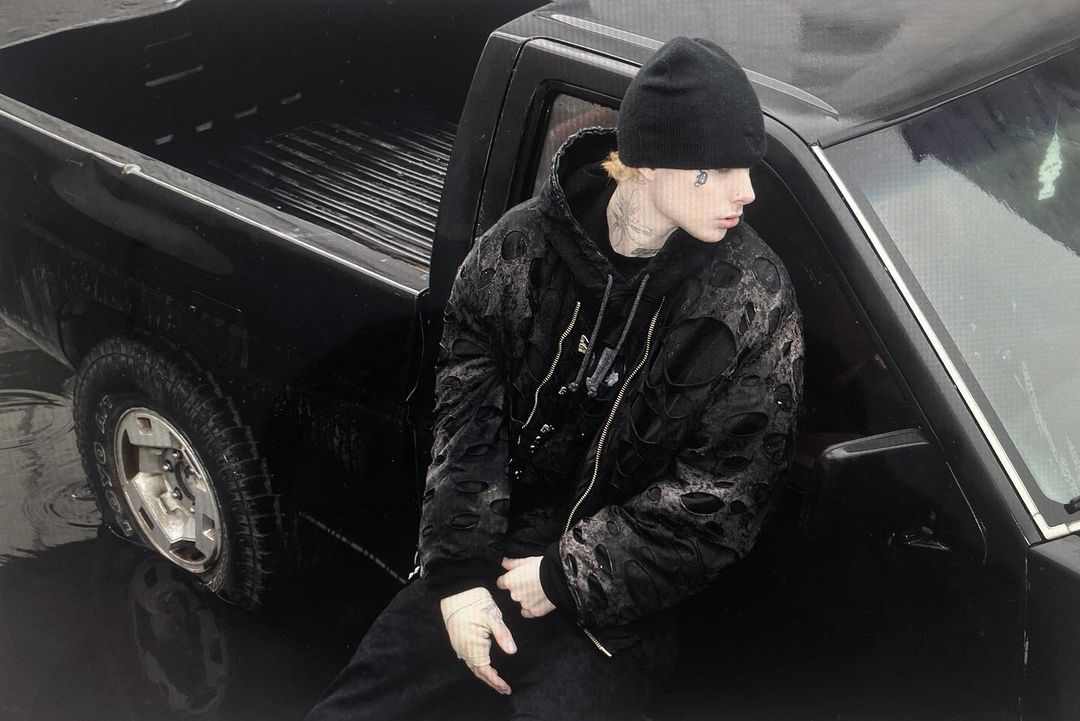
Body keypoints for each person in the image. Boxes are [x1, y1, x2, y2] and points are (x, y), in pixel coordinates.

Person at [304, 35, 805, 721]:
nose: (746, 192)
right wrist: (459, 581)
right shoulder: (517, 252)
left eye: (745, 168)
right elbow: (465, 424)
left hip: (616, 606)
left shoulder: (752, 300)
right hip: (490, 546)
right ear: (646, 164)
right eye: (714, 171)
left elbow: (723, 498)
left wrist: (565, 575)